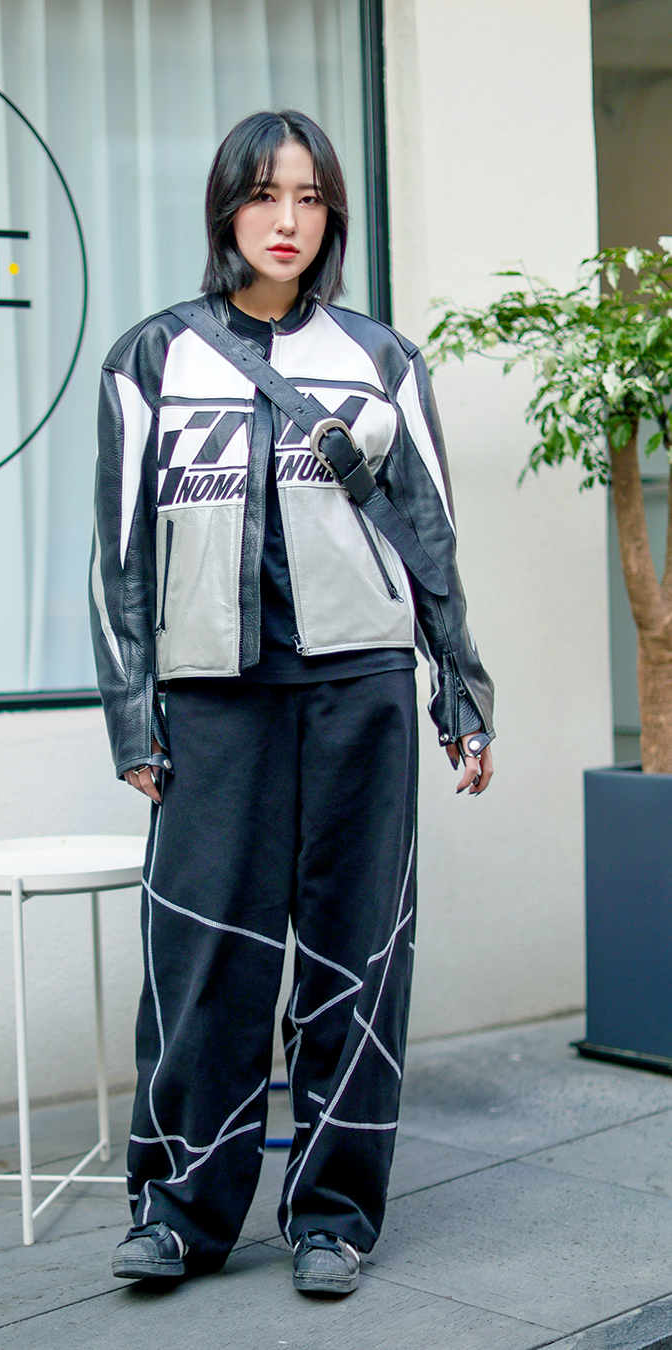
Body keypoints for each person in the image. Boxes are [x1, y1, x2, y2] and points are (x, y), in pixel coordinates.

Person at [89, 109, 494, 1296]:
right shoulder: (151, 359)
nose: (286, 220)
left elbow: (429, 539)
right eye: (265, 195)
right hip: (215, 699)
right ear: (227, 208)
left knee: (356, 958)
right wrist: (132, 715)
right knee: (202, 960)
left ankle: (334, 1217)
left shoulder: (383, 360)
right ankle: (180, 1213)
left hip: (360, 692)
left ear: (333, 217)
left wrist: (461, 693)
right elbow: (118, 555)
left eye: (310, 198)